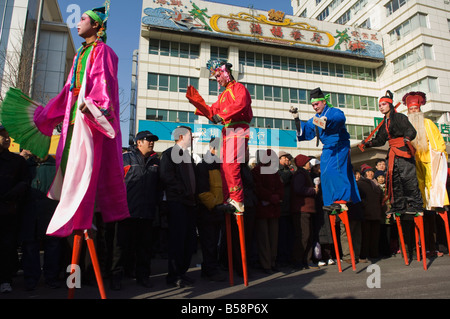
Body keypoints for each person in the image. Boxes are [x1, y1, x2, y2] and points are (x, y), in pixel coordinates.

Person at [2, 2, 130, 238]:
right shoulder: (80, 53)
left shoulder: (104, 52)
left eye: (83, 19)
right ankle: (76, 219)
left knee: (86, 167)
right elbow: (67, 91)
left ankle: (80, 217)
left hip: (90, 121)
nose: (78, 23)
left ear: (96, 26)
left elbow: (106, 85)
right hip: (74, 119)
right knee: (70, 166)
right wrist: (46, 114)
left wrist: (94, 107)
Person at [359, 90, 423, 259]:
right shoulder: (384, 122)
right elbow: (380, 140)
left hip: (402, 151)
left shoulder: (399, 117)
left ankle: (415, 204)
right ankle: (399, 204)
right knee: (394, 179)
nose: (381, 107)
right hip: (392, 152)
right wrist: (368, 144)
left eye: (384, 104)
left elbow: (411, 131)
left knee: (408, 177)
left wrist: (407, 139)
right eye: (379, 105)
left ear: (390, 104)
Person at [186, 60, 253, 214]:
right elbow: (212, 111)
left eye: (217, 76)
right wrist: (197, 102)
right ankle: (228, 197)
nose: (216, 79)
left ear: (225, 73)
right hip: (228, 130)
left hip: (238, 128)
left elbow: (241, 104)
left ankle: (237, 198)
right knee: (224, 166)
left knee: (231, 164)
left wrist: (221, 115)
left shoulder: (239, 88)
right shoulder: (223, 95)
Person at [291, 87, 361, 211]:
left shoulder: (333, 111)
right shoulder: (316, 119)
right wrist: (297, 119)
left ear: (324, 101)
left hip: (339, 146)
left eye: (316, 104)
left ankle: (341, 200)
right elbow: (306, 131)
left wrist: (328, 120)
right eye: (312, 105)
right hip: (327, 148)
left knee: (335, 170)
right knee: (325, 172)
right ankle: (330, 201)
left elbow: (340, 118)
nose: (314, 107)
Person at [110, 130, 161, 290]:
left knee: (144, 249)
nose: (151, 143)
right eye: (148, 140)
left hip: (146, 213)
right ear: (139, 142)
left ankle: (143, 277)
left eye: (153, 140)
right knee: (120, 248)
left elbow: (159, 187)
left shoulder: (156, 162)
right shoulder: (126, 158)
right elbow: (115, 182)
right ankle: (116, 278)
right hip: (127, 212)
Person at [405, 91, 449, 257]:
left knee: (433, 210)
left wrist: (437, 156)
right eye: (411, 110)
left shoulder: (429, 123)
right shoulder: (406, 126)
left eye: (416, 109)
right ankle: (421, 247)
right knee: (419, 212)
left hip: (430, 164)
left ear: (420, 109)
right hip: (413, 167)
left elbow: (439, 145)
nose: (414, 112)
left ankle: (436, 247)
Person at [160, 126, 197, 288]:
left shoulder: (187, 156)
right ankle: (173, 275)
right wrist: (183, 192)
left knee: (188, 241)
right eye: (191, 135)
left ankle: (182, 272)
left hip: (190, 204)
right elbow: (167, 177)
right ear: (181, 136)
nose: (193, 138)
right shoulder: (169, 154)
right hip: (177, 203)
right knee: (177, 241)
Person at [20, 150, 63, 291]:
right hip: (30, 213)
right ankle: (31, 278)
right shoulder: (25, 165)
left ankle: (51, 277)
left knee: (53, 246)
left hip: (50, 213)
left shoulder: (56, 166)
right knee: (30, 247)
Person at [0, 126, 30, 293]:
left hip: (8, 212)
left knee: (7, 247)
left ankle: (5, 280)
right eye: (3, 136)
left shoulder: (16, 161)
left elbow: (25, 181)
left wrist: (14, 193)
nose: (7, 139)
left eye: (8, 136)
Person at [196, 137, 227, 282]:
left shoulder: (221, 165)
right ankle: (210, 270)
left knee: (215, 242)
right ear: (213, 149)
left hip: (219, 211)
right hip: (208, 212)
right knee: (209, 243)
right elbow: (202, 192)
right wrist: (215, 205)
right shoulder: (203, 165)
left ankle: (211, 268)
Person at [252, 149, 284, 274]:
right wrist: (271, 197)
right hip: (263, 209)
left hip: (273, 209)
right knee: (264, 239)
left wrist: (276, 197)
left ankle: (272, 262)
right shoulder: (257, 171)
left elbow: (280, 188)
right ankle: (266, 264)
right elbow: (257, 188)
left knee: (273, 238)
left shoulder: (274, 172)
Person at [290, 154, 319, 269]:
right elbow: (298, 189)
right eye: (307, 162)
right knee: (303, 236)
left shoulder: (303, 174)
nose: (309, 164)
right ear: (303, 163)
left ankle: (307, 259)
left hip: (306, 209)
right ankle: (298, 260)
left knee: (308, 235)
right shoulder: (300, 174)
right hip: (301, 209)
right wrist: (312, 190)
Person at [358, 164, 384, 262]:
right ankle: (363, 255)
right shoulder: (360, 184)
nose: (370, 173)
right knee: (365, 236)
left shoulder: (376, 184)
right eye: (368, 172)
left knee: (375, 236)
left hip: (376, 213)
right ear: (364, 173)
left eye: (372, 171)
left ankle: (374, 253)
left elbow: (380, 198)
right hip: (366, 214)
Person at [277, 151, 295, 267]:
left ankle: (288, 257)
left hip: (289, 207)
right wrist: (290, 173)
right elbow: (281, 181)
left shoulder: (290, 171)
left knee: (289, 235)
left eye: (289, 159)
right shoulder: (277, 170)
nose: (288, 161)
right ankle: (281, 259)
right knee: (282, 236)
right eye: (285, 158)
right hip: (281, 208)